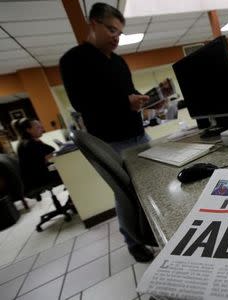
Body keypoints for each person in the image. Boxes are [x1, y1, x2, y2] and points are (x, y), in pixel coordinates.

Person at [60, 3, 158, 262]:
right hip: (111, 142)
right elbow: (82, 103)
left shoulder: (119, 61)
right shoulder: (73, 60)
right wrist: (125, 102)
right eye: (111, 30)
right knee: (126, 194)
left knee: (152, 183)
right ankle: (134, 242)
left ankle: (156, 227)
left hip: (138, 134)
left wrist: (137, 99)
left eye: (120, 33)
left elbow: (128, 91)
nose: (116, 37)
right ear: (93, 23)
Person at [12, 118, 62, 189]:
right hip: (38, 179)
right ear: (28, 130)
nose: (42, 128)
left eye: (41, 126)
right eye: (38, 127)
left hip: (40, 175)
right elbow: (45, 159)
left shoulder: (31, 141)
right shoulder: (29, 144)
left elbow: (50, 151)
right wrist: (59, 152)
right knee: (67, 171)